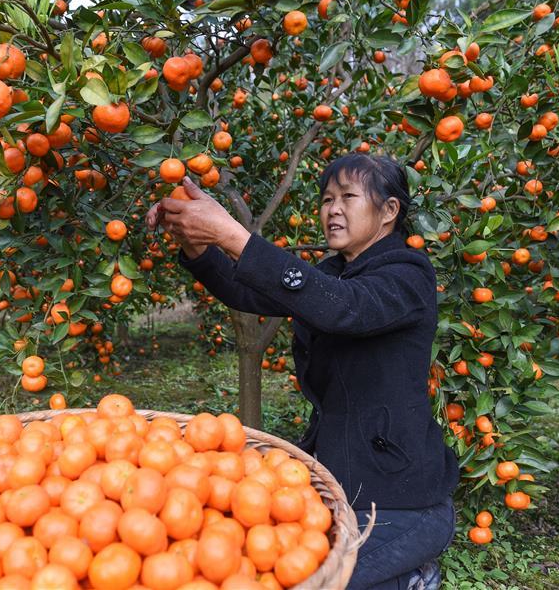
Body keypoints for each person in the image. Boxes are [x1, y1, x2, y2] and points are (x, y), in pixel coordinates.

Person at [146, 153, 459, 589]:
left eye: (348, 197)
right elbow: (248, 291)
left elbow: (342, 308)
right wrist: (198, 246)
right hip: (338, 479)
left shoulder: (408, 274)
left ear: (389, 211)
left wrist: (233, 234)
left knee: (321, 579)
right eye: (327, 199)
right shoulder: (335, 272)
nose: (332, 209)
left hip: (401, 499)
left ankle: (415, 576)